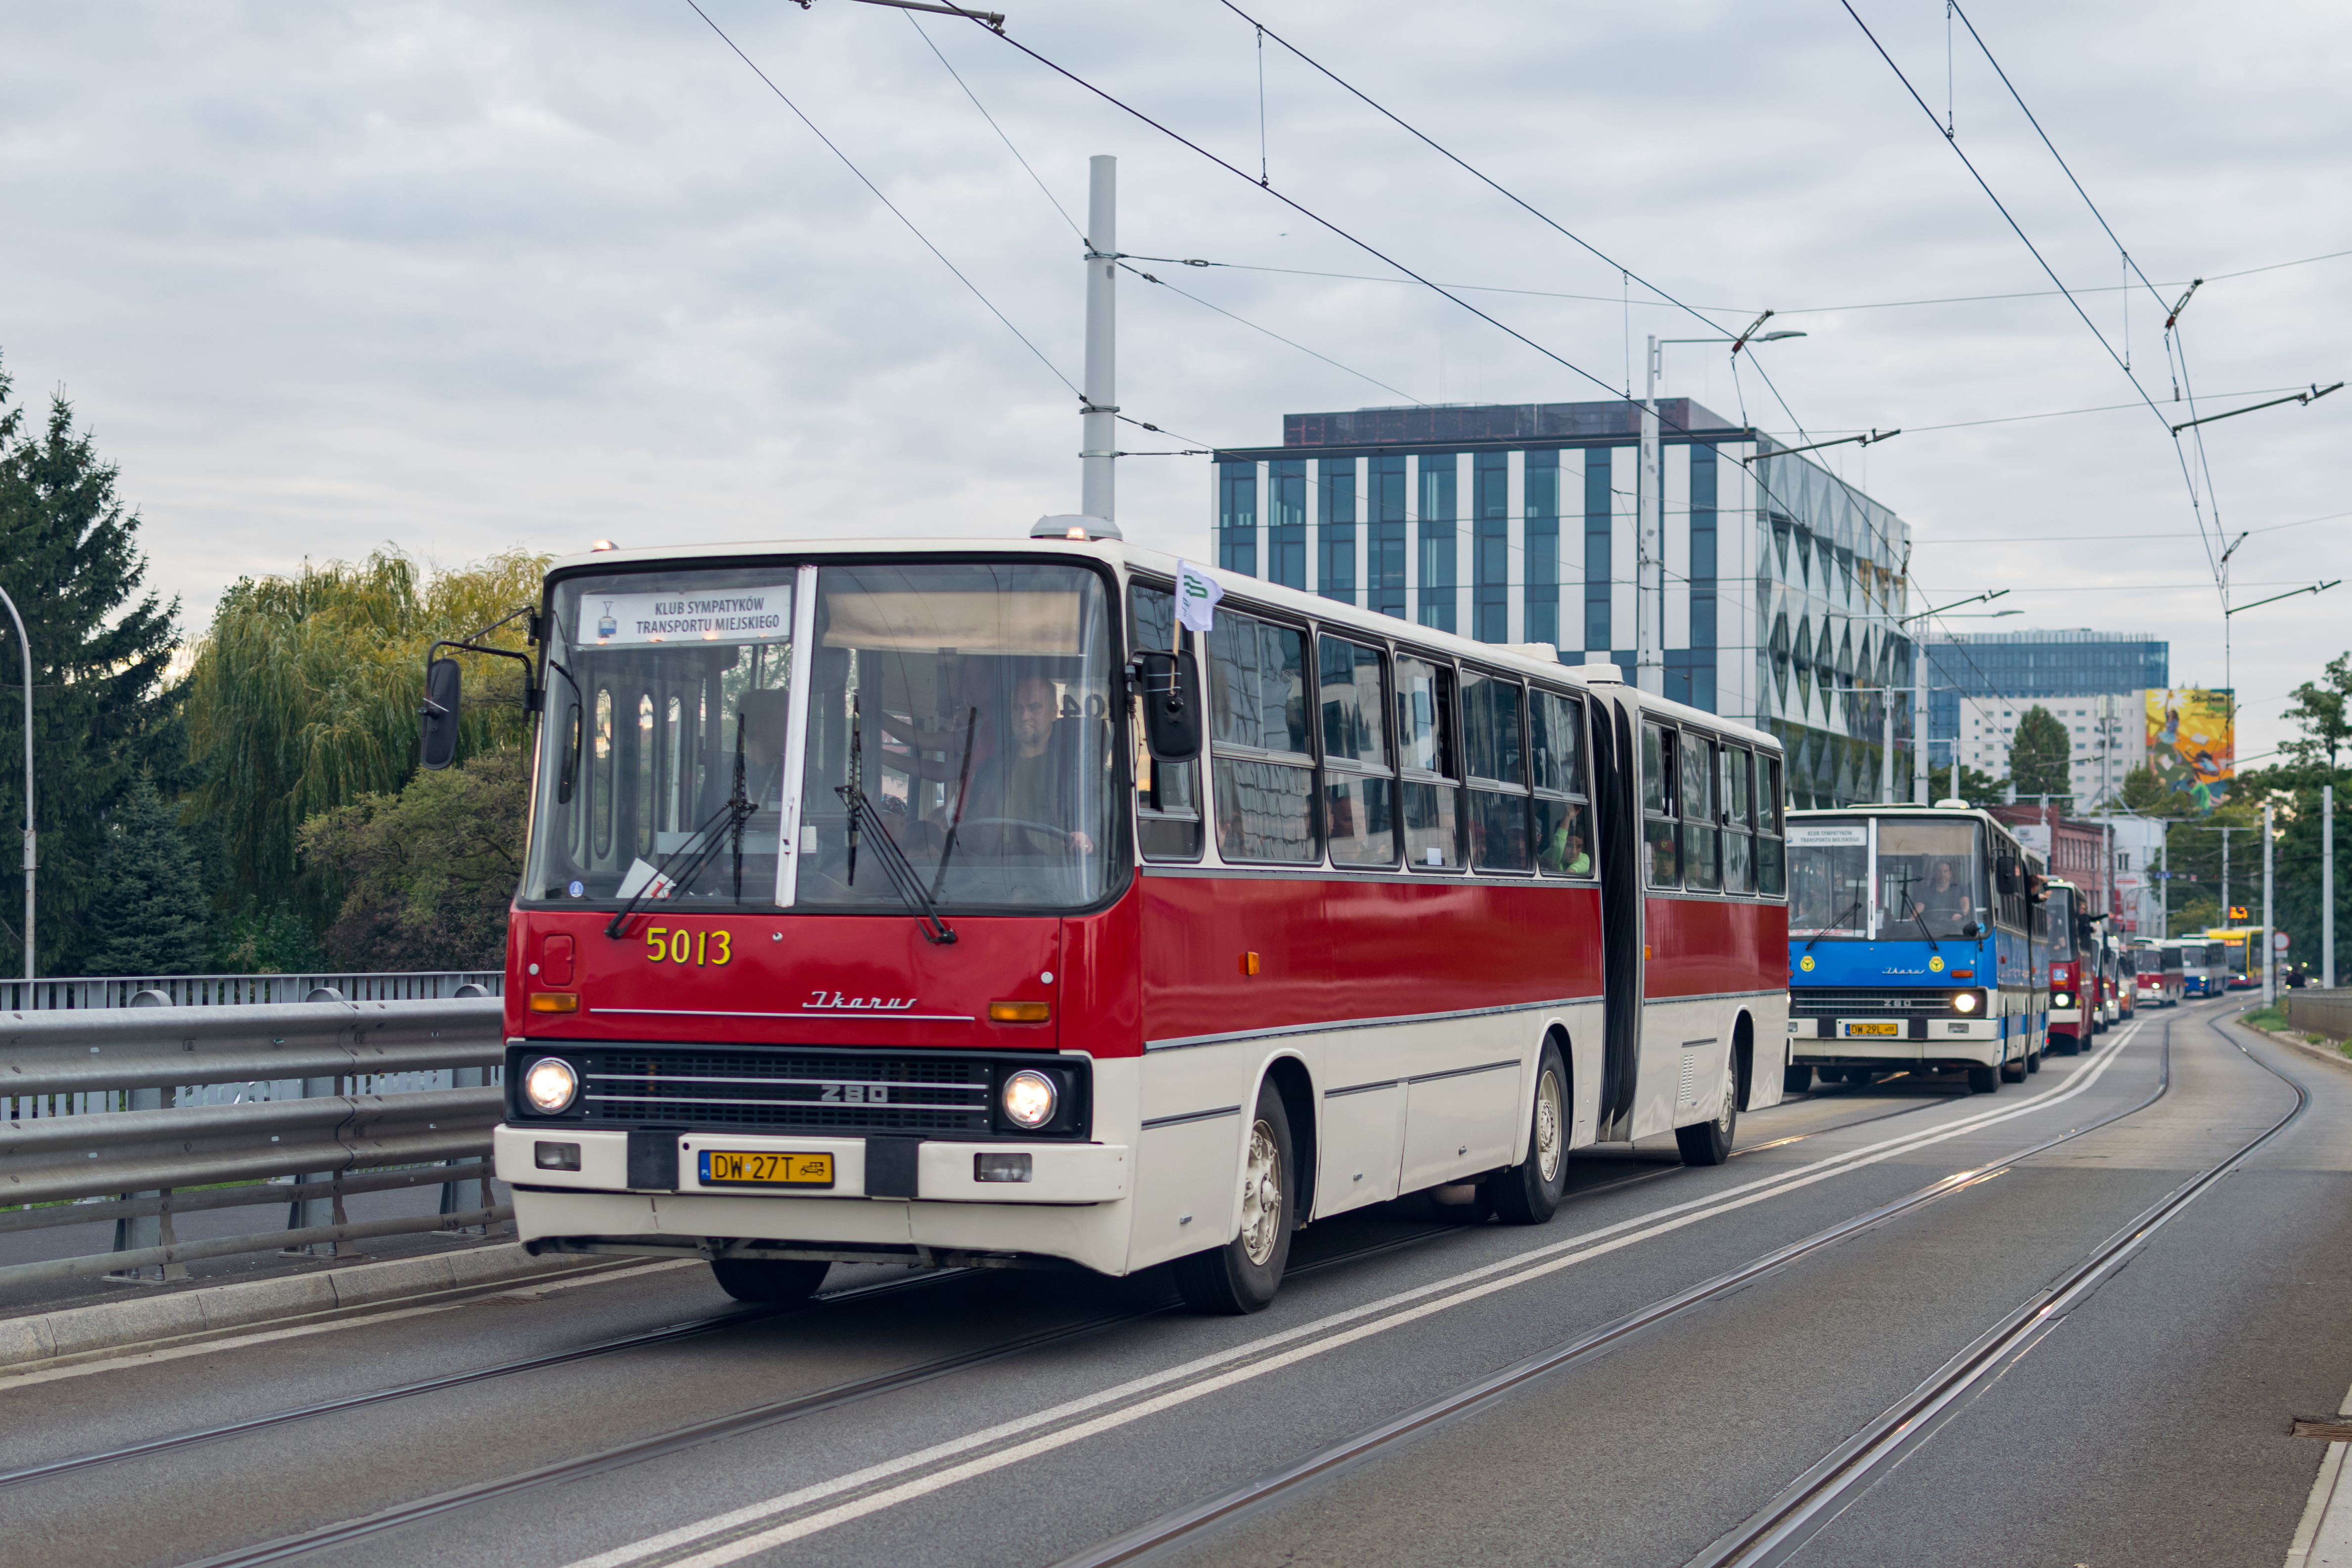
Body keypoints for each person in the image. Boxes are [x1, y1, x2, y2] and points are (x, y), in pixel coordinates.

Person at [959, 673, 1094, 858]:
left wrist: (1087, 836)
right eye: (1018, 708)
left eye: (1035, 707)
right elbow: (970, 834)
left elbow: (1096, 809)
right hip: (990, 875)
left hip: (1054, 877)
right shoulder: (989, 771)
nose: (1025, 716)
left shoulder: (1073, 770)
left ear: (1054, 712)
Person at [1921, 857, 1973, 933]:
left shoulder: (1960, 889)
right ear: (1935, 874)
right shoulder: (1926, 892)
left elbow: (1965, 904)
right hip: (1930, 932)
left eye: (1945, 871)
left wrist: (1962, 913)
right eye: (1939, 872)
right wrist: (1912, 919)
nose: (1942, 874)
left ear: (1950, 873)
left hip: (1955, 930)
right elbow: (1918, 909)